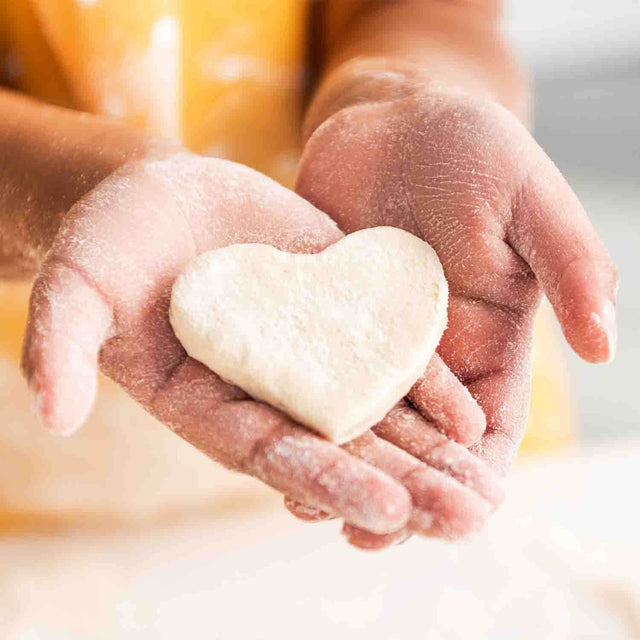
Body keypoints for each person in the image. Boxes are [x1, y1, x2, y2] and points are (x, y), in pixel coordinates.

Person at [0, 0, 616, 550]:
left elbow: (440, 13)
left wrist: (401, 85)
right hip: (48, 477)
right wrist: (65, 188)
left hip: (456, 347)